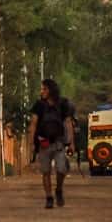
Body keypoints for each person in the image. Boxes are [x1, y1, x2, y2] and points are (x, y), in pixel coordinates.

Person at [29, 79, 76, 209]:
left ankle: (59, 189)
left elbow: (68, 123)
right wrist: (32, 143)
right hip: (43, 143)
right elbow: (33, 124)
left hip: (58, 143)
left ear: (51, 90)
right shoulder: (39, 105)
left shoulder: (62, 104)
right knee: (46, 172)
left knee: (61, 169)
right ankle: (49, 197)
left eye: (44, 89)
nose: (41, 91)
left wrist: (72, 142)